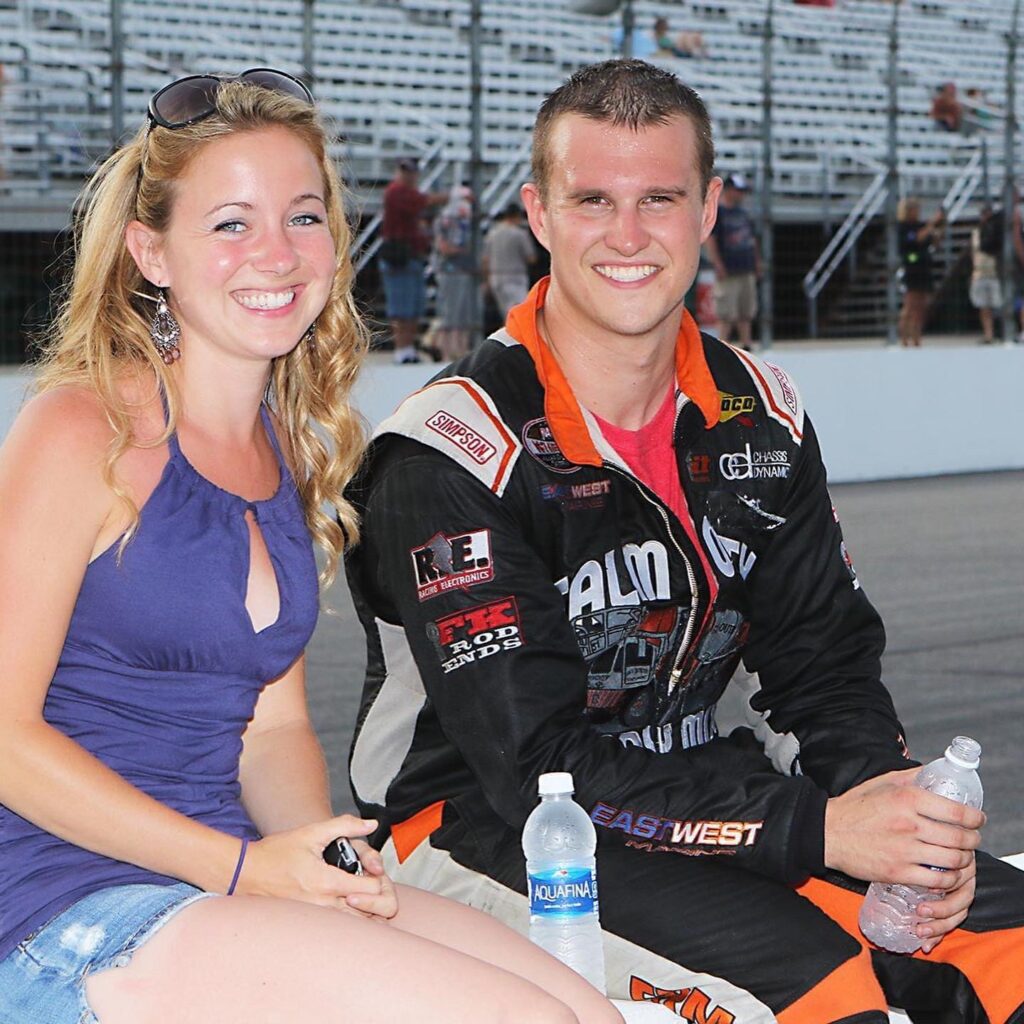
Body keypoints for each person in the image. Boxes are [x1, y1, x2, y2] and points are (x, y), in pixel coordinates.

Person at [346, 59, 1024, 1022]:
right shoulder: (454, 449)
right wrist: (822, 829)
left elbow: (821, 663)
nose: (628, 236)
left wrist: (894, 819)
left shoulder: (761, 414)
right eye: (594, 200)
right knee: (832, 993)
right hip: (487, 826)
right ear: (538, 215)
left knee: (1011, 948)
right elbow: (536, 756)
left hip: (707, 792)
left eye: (659, 198)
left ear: (708, 211)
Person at [0, 69, 624, 1024]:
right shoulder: (83, 430)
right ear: (150, 252)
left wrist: (326, 859)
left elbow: (273, 725)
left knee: (586, 1008)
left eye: (302, 217)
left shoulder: (280, 446)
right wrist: (246, 867)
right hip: (69, 907)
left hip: (227, 884)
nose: (277, 254)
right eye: (231, 223)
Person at [379, 156, 446, 364]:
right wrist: (446, 197)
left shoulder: (403, 192)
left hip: (411, 255)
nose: (408, 176)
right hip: (400, 255)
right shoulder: (396, 192)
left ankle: (408, 348)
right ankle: (402, 348)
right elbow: (422, 201)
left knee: (413, 306)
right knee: (402, 307)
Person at [704, 172, 760, 350]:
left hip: (745, 266)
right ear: (728, 190)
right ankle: (722, 345)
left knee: (746, 310)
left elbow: (752, 240)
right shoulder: (719, 213)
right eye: (738, 190)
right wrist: (717, 263)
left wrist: (756, 262)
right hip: (728, 268)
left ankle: (747, 344)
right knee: (726, 311)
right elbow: (710, 239)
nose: (741, 194)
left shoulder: (742, 213)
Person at [432, 185, 477, 362]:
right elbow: (444, 247)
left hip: (464, 269)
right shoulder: (447, 219)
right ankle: (447, 351)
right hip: (450, 270)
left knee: (463, 312)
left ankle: (460, 350)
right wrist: (460, 250)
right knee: (451, 311)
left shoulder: (465, 220)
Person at [897, 196, 944, 347]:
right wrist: (931, 224)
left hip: (924, 267)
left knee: (921, 306)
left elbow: (931, 241)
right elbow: (915, 239)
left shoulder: (920, 225)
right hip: (912, 268)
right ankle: (904, 338)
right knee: (910, 303)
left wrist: (938, 232)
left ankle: (917, 337)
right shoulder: (903, 227)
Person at [483, 202, 538, 320]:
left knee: (506, 315)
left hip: (496, 278)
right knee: (521, 315)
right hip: (515, 277)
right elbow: (531, 258)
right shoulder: (520, 234)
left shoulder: (493, 233)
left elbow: (486, 259)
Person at [970, 206, 1003, 344]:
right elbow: (974, 252)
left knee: (999, 303)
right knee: (983, 306)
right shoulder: (977, 233)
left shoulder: (998, 233)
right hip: (980, 272)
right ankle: (988, 334)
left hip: (995, 272)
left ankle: (1001, 332)